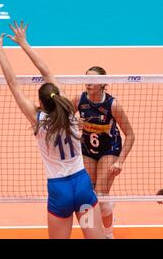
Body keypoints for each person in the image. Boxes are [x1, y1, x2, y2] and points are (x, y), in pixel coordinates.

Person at [0, 21, 105, 239]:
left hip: (60, 192)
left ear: (40, 102)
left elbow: (13, 83)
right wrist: (24, 43)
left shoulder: (38, 120)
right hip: (82, 186)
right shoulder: (68, 110)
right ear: (56, 96)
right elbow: (46, 70)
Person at [74, 66, 135, 238]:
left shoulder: (112, 105)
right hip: (87, 150)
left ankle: (108, 234)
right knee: (87, 195)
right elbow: (65, 119)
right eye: (86, 79)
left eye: (92, 80)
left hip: (109, 150)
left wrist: (120, 161)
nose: (88, 83)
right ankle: (92, 231)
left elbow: (130, 135)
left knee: (100, 197)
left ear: (102, 83)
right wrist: (75, 126)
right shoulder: (79, 100)